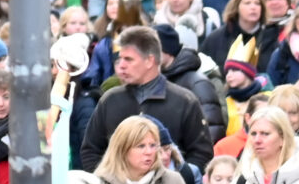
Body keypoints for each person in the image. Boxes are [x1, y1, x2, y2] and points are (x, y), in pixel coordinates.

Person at [82, 26, 212, 168]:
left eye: (129, 59)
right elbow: (91, 151)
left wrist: (176, 181)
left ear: (150, 61)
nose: (121, 66)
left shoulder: (184, 101)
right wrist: (108, 183)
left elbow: (201, 155)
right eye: (120, 59)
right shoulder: (110, 100)